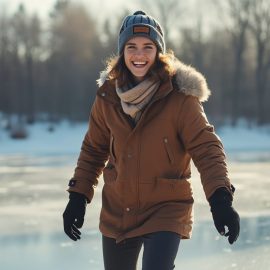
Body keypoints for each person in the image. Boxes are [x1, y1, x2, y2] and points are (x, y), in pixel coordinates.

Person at [63, 10, 240, 270]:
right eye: (132, 46)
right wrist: (77, 196)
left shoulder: (180, 98)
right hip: (118, 210)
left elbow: (207, 148)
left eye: (148, 47)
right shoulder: (107, 98)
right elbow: (93, 150)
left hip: (166, 208)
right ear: (122, 52)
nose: (139, 55)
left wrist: (220, 199)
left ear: (159, 52)